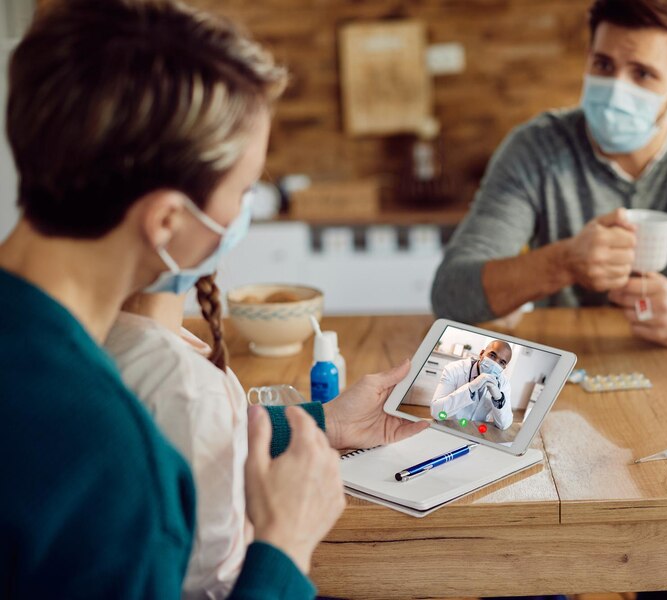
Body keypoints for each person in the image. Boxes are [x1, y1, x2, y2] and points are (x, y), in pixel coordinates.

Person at [0, 0, 421, 597]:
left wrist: (315, 422)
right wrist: (285, 546)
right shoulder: (104, 452)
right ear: (168, 220)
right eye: (245, 190)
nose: (244, 211)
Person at [431, 0, 667, 348]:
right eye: (604, 65)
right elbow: (451, 292)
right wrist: (563, 263)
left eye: (642, 74)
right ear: (588, 59)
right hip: (575, 364)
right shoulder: (535, 149)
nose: (616, 89)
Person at [105, 276, 427, 598]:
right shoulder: (183, 385)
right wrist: (284, 543)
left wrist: (330, 421)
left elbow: (178, 438)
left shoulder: (116, 337)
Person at [431, 340, 514, 430]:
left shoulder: (504, 383)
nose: (495, 364)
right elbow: (436, 412)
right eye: (492, 355)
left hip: (477, 431)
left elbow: (504, 425)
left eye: (501, 362)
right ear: (481, 353)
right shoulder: (454, 369)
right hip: (449, 427)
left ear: (504, 368)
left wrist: (499, 399)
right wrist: (471, 388)